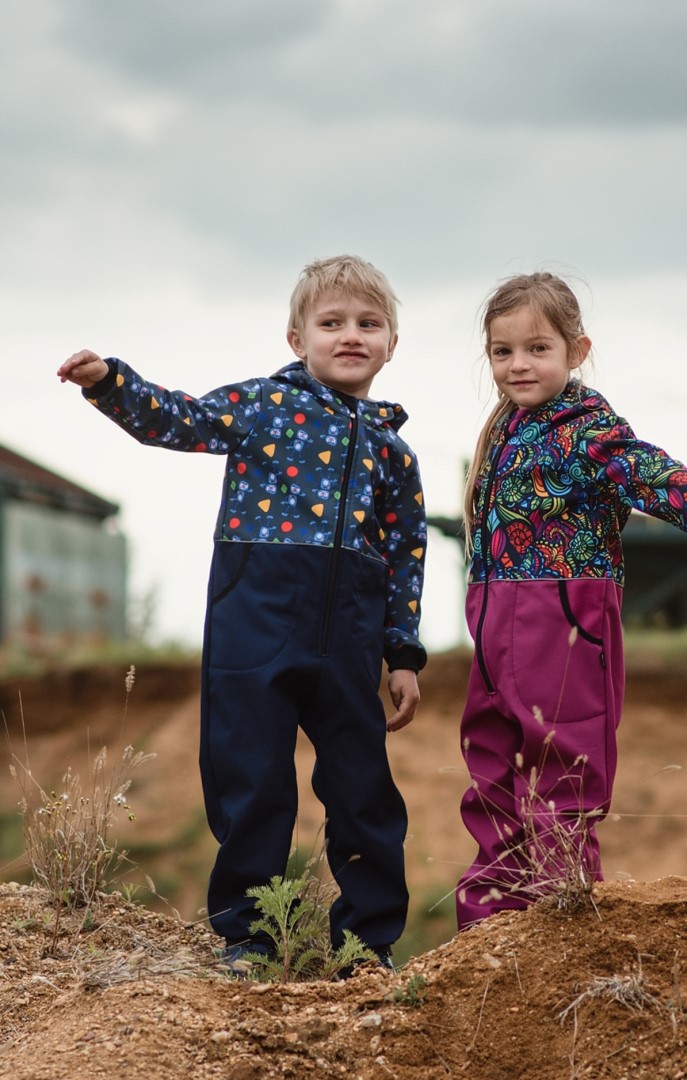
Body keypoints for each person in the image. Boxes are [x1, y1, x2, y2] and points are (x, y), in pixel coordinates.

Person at [57, 255, 427, 970]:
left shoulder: (394, 453)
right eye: (331, 323)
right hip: (253, 625)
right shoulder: (262, 406)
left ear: (390, 343)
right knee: (250, 780)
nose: (350, 335)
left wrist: (402, 654)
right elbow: (180, 419)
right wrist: (110, 383)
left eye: (368, 324)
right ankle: (250, 938)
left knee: (363, 792)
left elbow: (407, 558)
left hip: (349, 639)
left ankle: (363, 943)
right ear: (297, 339)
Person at [455, 271, 687, 931]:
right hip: (493, 620)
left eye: (537, 348)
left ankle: (560, 912)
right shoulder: (502, 430)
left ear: (576, 351)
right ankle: (489, 921)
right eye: (502, 351)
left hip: (564, 617)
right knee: (490, 757)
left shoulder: (587, 426)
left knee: (560, 759)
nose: (518, 364)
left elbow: (642, 468)